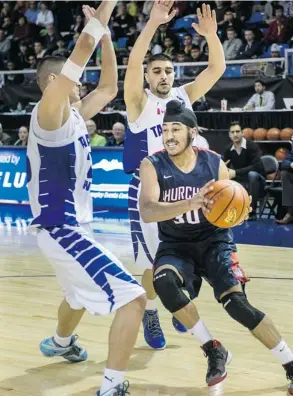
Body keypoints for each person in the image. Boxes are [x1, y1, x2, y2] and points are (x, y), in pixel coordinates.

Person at [139, 100, 293, 395]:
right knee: (164, 281)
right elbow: (148, 210)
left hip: (214, 242)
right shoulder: (152, 164)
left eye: (176, 129)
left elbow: (228, 206)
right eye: (165, 129)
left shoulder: (212, 162)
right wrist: (191, 202)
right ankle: (213, 348)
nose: (168, 135)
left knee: (237, 305)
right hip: (176, 244)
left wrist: (237, 211)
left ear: (192, 132)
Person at [26, 3, 146, 396]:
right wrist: (106, 9)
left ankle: (60, 343)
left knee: (76, 295)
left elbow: (109, 87)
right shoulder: (48, 112)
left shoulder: (73, 113)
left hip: (71, 226)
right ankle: (111, 387)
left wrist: (108, 34)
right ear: (57, 81)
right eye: (73, 81)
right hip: (61, 228)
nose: (80, 85)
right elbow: (81, 50)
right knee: (133, 298)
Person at [123, 0, 226, 350]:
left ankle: (176, 303)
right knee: (156, 265)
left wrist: (211, 36)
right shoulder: (138, 101)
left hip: (189, 190)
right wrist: (152, 23)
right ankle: (151, 310)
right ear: (148, 76)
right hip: (152, 192)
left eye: (168, 70)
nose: (163, 75)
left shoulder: (184, 96)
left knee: (188, 256)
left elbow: (215, 69)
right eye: (157, 71)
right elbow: (134, 61)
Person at [223, 121, 266, 220]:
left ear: (242, 133)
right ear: (229, 135)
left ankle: (251, 213)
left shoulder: (252, 146)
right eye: (232, 132)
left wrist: (236, 172)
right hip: (241, 179)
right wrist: (222, 167)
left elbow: (257, 166)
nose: (235, 134)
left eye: (237, 131)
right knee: (223, 176)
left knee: (252, 175)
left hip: (258, 180)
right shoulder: (228, 149)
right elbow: (223, 165)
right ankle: (227, 210)